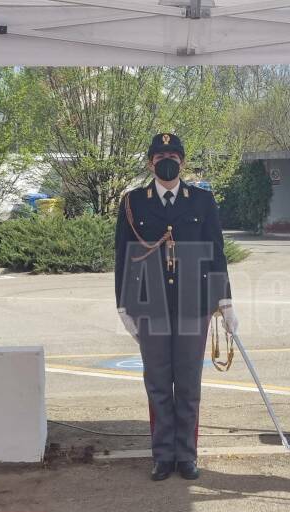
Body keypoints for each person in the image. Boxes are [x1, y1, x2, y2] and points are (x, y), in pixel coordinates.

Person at [114, 132, 236, 482]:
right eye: (159, 155)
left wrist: (224, 300)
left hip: (193, 304)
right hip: (150, 303)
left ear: (183, 162)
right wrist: (123, 305)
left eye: (173, 155)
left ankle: (187, 455)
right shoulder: (133, 202)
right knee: (156, 383)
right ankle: (162, 456)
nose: (166, 160)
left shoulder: (202, 200)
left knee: (187, 384)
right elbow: (123, 254)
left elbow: (216, 252)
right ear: (150, 162)